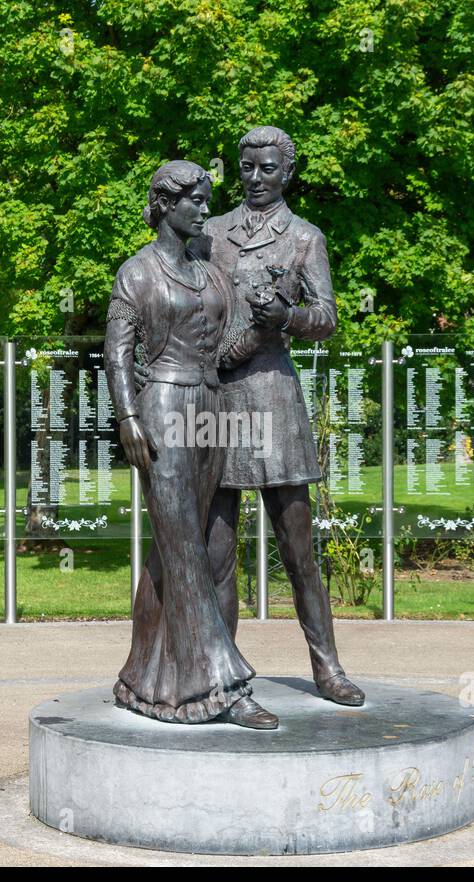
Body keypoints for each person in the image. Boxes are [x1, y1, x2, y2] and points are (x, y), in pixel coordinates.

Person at [192, 126, 365, 714]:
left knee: (298, 548)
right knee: (217, 550)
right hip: (219, 398)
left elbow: (328, 317)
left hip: (274, 401)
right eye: (247, 167)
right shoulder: (211, 233)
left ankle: (328, 665)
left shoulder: (305, 238)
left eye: (268, 168)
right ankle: (224, 674)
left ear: (287, 172)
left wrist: (287, 314)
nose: (256, 178)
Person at [103, 160, 277, 730]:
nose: (206, 210)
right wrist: (128, 416)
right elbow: (117, 353)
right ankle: (223, 685)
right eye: (195, 201)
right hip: (162, 408)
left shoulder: (211, 273)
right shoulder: (137, 273)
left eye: (206, 200)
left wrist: (270, 323)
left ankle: (143, 680)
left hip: (213, 408)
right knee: (181, 546)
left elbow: (227, 349)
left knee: (188, 547)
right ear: (165, 204)